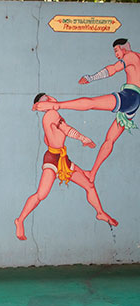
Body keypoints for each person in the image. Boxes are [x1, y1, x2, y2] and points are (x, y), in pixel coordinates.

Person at [32, 38, 140, 184]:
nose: (116, 54)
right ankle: (92, 173)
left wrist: (91, 77)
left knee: (91, 103)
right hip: (135, 102)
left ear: (124, 48)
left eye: (116, 51)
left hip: (129, 96)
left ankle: (58, 105)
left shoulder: (130, 56)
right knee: (110, 139)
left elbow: (113, 69)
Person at [15, 93, 117, 241]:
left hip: (63, 159)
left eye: (48, 96)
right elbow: (66, 129)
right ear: (43, 104)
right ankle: (20, 220)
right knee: (41, 195)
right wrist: (83, 138)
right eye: (46, 99)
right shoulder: (51, 115)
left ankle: (100, 212)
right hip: (52, 159)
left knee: (89, 185)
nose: (50, 98)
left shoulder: (52, 114)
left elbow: (55, 134)